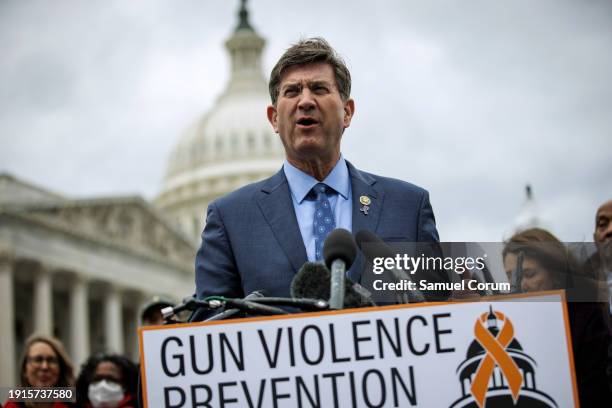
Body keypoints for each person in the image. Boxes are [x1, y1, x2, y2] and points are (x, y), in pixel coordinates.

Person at [195, 37, 440, 301]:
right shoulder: (231, 219)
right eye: (292, 92)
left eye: (319, 89)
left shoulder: (408, 207)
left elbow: (440, 313)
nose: (305, 101)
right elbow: (208, 325)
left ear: (347, 112)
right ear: (274, 118)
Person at [503, 227, 611, 405]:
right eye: (510, 277)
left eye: (529, 274)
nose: (520, 285)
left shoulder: (590, 319)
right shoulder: (508, 322)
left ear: (556, 274)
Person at [4, 334, 75, 408]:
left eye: (51, 360)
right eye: (38, 360)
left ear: (61, 369)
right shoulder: (13, 405)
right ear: (25, 370)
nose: (45, 367)